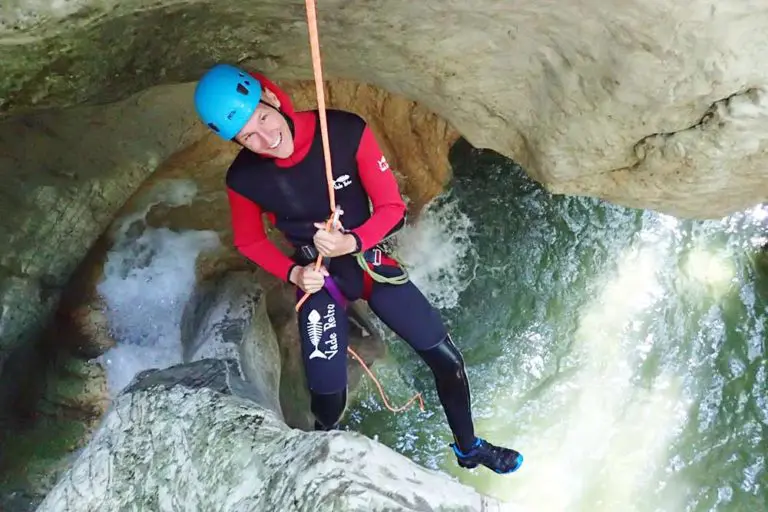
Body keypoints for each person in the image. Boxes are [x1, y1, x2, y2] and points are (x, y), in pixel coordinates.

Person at [193, 63, 524, 474]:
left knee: (447, 360)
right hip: (317, 276)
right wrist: (294, 275)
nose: (265, 139)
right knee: (328, 398)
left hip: (368, 261)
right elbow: (249, 240)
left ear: (273, 98)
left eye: (262, 118)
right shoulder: (244, 179)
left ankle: (468, 447)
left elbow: (392, 209)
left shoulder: (343, 132)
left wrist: (352, 241)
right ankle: (318, 460)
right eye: (247, 136)